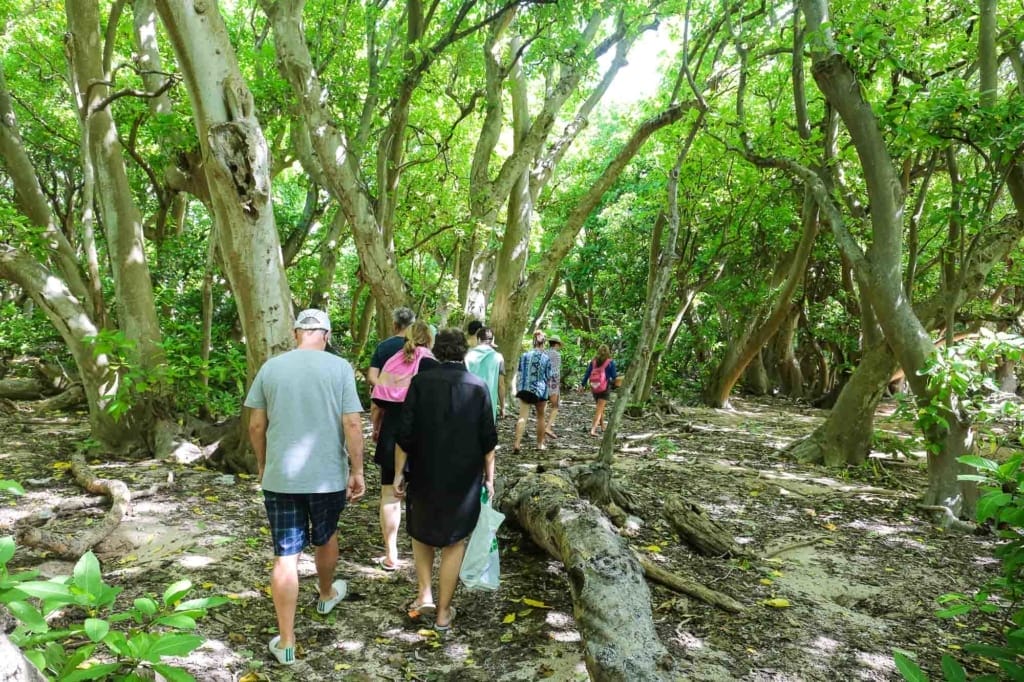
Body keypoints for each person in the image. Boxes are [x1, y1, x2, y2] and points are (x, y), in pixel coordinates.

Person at [244, 309, 366, 666]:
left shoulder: (271, 368)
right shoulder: (340, 368)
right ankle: (326, 594)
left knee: (286, 555)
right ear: (326, 335)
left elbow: (256, 425)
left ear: (296, 333)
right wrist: (357, 470)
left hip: (281, 476)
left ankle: (286, 641)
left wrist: (263, 463)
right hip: (326, 475)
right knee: (325, 537)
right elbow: (352, 423)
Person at [394, 329, 497, 631]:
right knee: (455, 540)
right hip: (464, 475)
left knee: (420, 532)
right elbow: (488, 441)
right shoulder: (478, 387)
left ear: (437, 351)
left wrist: (399, 472)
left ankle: (425, 593)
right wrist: (489, 479)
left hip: (424, 469)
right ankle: (443, 613)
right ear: (464, 351)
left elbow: (405, 434)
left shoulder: (420, 382)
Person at [370, 320, 435, 571]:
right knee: (422, 495)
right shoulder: (433, 364)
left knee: (389, 495)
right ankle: (424, 553)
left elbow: (377, 404)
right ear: (430, 340)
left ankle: (391, 554)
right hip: (423, 436)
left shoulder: (392, 362)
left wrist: (376, 427)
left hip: (392, 433)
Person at [368, 307, 416, 442]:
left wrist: (387, 390)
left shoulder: (383, 346)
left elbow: (372, 376)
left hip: (385, 404)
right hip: (410, 402)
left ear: (395, 325)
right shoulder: (419, 348)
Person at [512, 330, 552, 453]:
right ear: (544, 342)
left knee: (522, 417)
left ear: (533, 341)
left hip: (524, 389)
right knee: (541, 417)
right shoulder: (546, 358)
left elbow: (520, 372)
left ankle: (517, 444)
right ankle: (540, 444)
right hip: (540, 390)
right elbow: (549, 377)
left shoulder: (524, 356)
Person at [465, 326, 506, 421]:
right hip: (489, 403)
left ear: (479, 339)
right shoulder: (498, 357)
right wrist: (503, 406)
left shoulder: (467, 355)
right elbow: (501, 384)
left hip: (469, 402)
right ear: (492, 340)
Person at [580, 343, 618, 436]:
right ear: (608, 352)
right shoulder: (610, 362)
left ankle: (602, 426)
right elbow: (614, 376)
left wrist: (582, 385)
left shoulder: (593, 362)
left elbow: (587, 373)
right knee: (599, 408)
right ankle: (593, 429)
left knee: (600, 407)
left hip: (594, 387)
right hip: (604, 387)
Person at [543, 336, 563, 439]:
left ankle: (542, 426)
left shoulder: (544, 353)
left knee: (543, 405)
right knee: (555, 406)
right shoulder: (557, 355)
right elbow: (555, 372)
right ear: (556, 344)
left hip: (543, 382)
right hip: (553, 383)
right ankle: (547, 427)